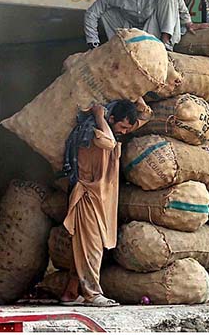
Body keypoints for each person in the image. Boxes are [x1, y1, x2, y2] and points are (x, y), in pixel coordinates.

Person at [59, 98, 152, 307]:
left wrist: (136, 97)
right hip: (87, 199)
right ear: (111, 119)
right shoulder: (91, 133)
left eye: (128, 128)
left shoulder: (113, 130)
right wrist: (99, 116)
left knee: (84, 248)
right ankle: (93, 294)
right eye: (122, 126)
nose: (125, 132)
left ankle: (70, 292)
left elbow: (146, 116)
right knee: (91, 249)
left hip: (102, 201)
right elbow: (108, 142)